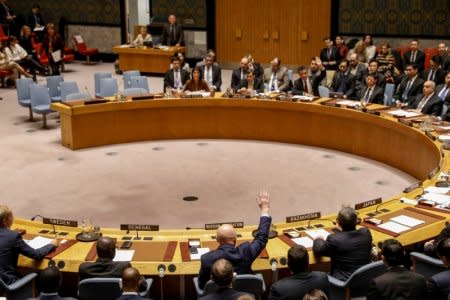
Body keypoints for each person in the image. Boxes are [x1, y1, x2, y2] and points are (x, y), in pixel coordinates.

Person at [198, 192, 271, 289]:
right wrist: (264, 209)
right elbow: (261, 238)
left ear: (217, 240)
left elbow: (202, 286)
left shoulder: (207, 258)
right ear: (235, 239)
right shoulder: (246, 252)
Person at [0, 206, 58, 285]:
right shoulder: (13, 237)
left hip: (2, 280)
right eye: (11, 216)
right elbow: (36, 255)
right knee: (40, 276)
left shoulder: (11, 236)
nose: (13, 218)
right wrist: (52, 245)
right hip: (8, 283)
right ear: (4, 221)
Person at [313, 207, 372, 281]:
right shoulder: (366, 233)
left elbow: (318, 250)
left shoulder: (334, 239)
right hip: (365, 279)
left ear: (337, 221)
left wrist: (318, 239)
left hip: (344, 284)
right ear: (356, 221)